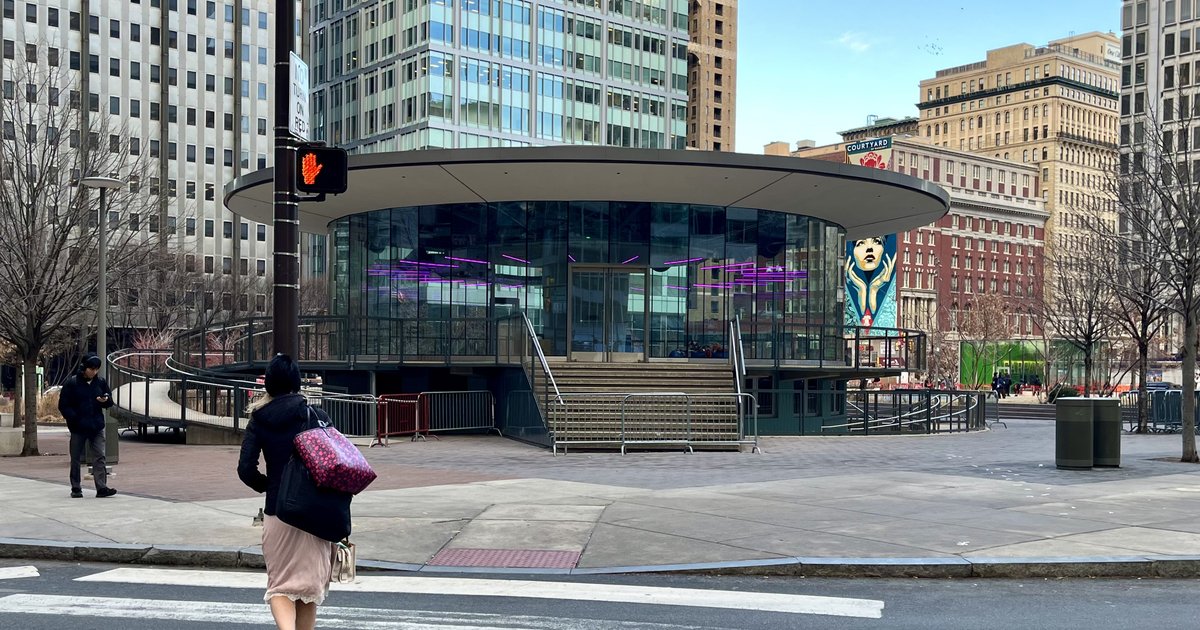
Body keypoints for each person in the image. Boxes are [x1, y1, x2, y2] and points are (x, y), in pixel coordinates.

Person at [238, 354, 333, 630]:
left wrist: (268, 485)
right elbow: (335, 461)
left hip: (278, 510)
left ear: (268, 384)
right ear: (296, 382)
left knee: (280, 584)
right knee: (308, 588)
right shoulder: (316, 415)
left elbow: (245, 468)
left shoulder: (260, 418)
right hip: (314, 512)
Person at [58, 355, 116, 499]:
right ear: (84, 368)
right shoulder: (72, 383)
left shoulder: (100, 382)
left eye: (97, 369)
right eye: (91, 369)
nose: (94, 372)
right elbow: (63, 405)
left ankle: (101, 487)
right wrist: (74, 418)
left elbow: (109, 402)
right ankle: (76, 487)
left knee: (100, 456)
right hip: (78, 427)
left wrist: (105, 400)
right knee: (76, 458)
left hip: (96, 425)